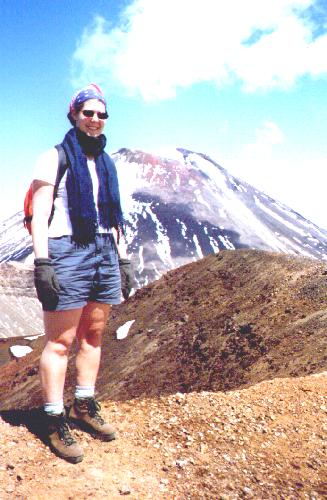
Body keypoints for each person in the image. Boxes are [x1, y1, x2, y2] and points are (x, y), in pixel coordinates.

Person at [31, 83, 133, 464]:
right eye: (88, 112)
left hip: (104, 249)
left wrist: (121, 259)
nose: (95, 119)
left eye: (101, 114)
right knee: (62, 340)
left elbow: (114, 216)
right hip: (67, 250)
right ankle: (53, 417)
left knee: (93, 333)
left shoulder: (106, 164)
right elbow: (39, 215)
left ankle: (84, 404)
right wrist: (43, 264)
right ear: (74, 115)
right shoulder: (54, 158)